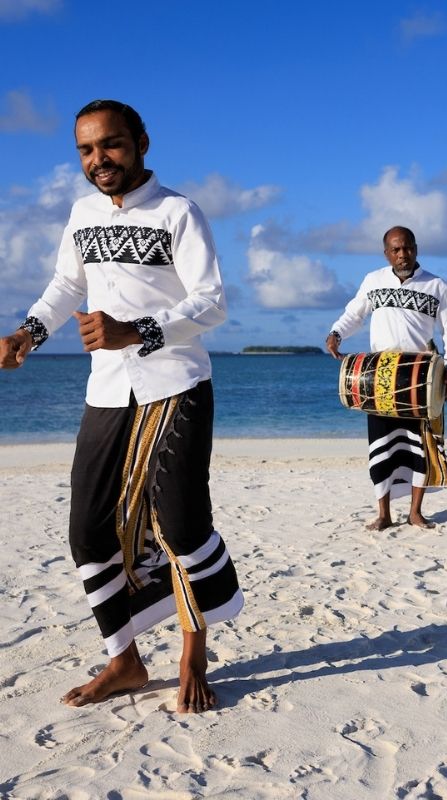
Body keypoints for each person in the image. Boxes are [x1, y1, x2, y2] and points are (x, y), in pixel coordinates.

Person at [0, 99, 244, 712]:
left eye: (109, 145)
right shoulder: (82, 214)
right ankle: (126, 661)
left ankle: (193, 651)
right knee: (88, 531)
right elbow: (66, 285)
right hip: (107, 390)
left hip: (177, 384)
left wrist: (136, 331)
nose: (98, 160)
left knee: (181, 526)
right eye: (85, 150)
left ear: (141, 141)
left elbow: (212, 303)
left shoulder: (179, 213)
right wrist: (29, 332)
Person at [326, 226, 447, 530]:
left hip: (419, 376)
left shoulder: (436, 286)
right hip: (379, 377)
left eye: (408, 248)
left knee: (418, 446)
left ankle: (416, 512)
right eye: (396, 250)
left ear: (416, 248)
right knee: (381, 446)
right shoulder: (373, 281)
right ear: (386, 252)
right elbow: (355, 313)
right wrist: (337, 332)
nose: (403, 255)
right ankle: (384, 514)